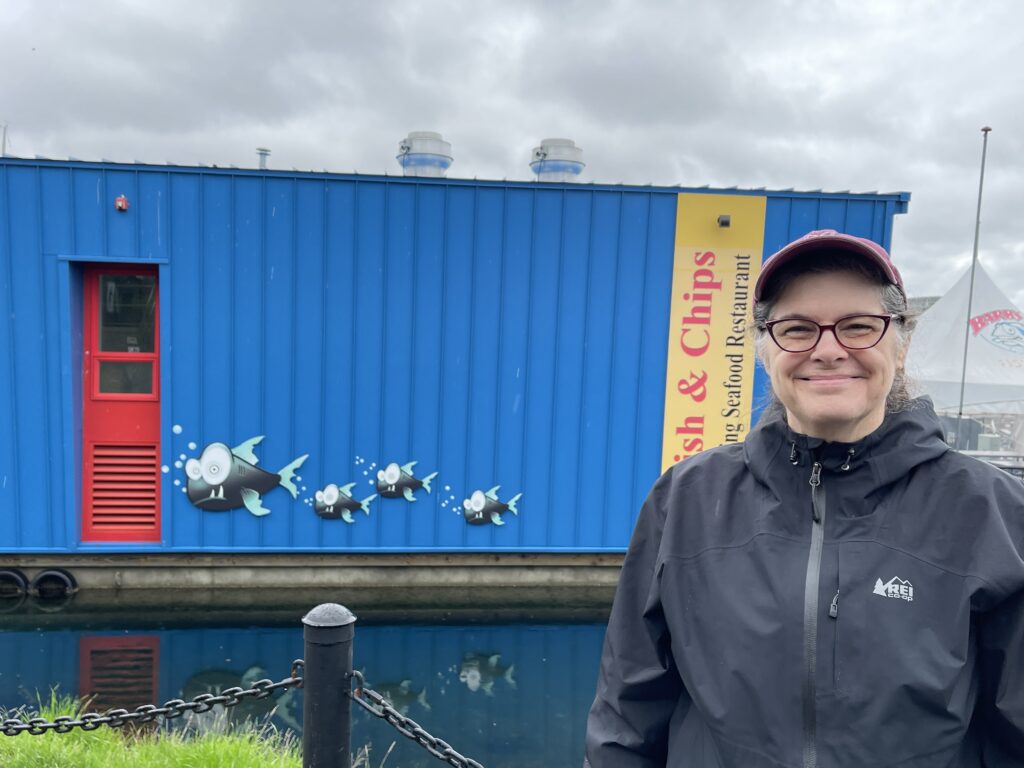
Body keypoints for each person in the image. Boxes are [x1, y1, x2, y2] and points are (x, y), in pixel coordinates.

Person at [584, 230, 1024, 767]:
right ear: (764, 350)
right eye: (797, 329)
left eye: (859, 326)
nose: (829, 350)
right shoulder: (685, 500)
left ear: (900, 343)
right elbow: (627, 714)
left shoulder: (992, 512)